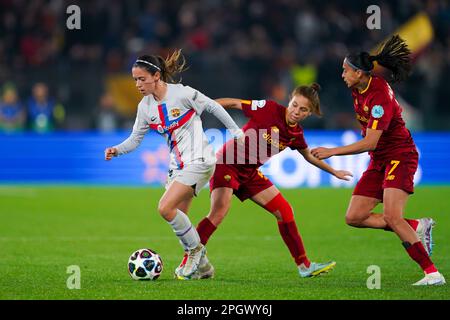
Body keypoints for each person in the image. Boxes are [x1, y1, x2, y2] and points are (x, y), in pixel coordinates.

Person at [176, 83, 353, 280]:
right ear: (290, 100)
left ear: (308, 113)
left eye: (303, 109)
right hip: (227, 163)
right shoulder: (268, 108)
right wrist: (203, 106)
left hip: (250, 173)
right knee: (218, 213)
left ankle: (304, 266)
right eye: (295, 105)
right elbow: (234, 103)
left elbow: (309, 156)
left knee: (285, 212)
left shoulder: (296, 134)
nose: (296, 111)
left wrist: (334, 171)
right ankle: (186, 263)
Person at [311, 35, 445, 286]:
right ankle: (417, 225)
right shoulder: (357, 89)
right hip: (379, 160)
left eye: (346, 70)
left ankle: (432, 273)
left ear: (360, 73)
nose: (342, 74)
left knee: (393, 216)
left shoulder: (378, 94)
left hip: (399, 156)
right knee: (354, 216)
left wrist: (332, 151)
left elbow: (370, 141)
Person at [104, 49, 244, 278]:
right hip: (177, 166)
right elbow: (135, 139)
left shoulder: (182, 93)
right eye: (135, 80)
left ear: (156, 76)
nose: (138, 84)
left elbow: (213, 106)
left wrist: (236, 132)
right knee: (180, 218)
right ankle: (205, 268)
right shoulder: (145, 107)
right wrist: (117, 150)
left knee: (164, 207)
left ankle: (196, 250)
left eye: (142, 79)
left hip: (200, 160)